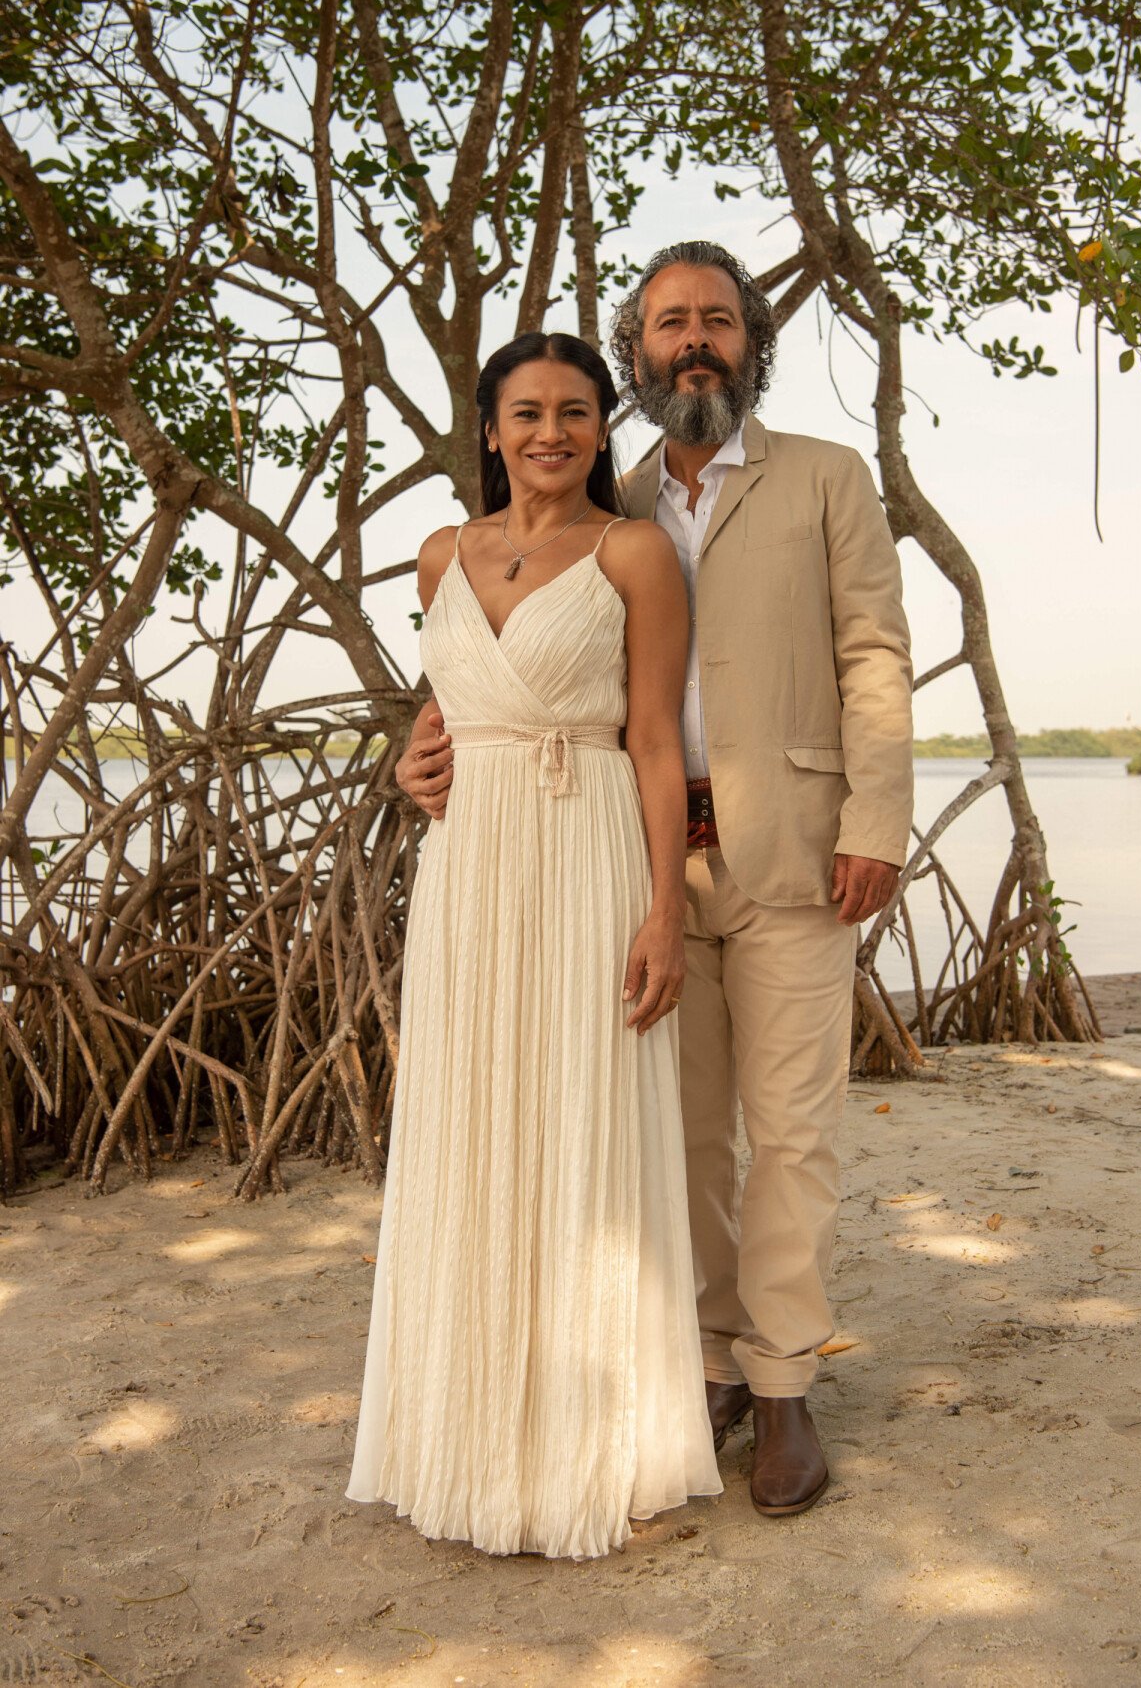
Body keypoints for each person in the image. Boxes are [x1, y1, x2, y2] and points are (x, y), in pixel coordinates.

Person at [400, 242, 914, 1519]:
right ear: (638, 350)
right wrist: (429, 747)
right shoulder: (609, 496)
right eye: (672, 323)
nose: (697, 341)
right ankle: (708, 1356)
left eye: (719, 322)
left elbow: (876, 650)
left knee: (791, 1127)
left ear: (754, 342)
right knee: (673, 1136)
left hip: (795, 847)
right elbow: (518, 676)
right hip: (633, 864)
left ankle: (786, 1380)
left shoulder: (827, 478)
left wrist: (878, 821)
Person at [347, 331, 721, 1559]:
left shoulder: (635, 554)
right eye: (526, 411)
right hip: (470, 864)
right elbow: (455, 692)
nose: (549, 431)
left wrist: (665, 911)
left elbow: (657, 741)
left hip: (588, 853)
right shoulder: (440, 551)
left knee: (578, 1118)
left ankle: (581, 1442)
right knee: (473, 1120)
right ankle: (462, 1433)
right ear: (491, 427)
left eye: (573, 410)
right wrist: (413, 752)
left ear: (604, 427)